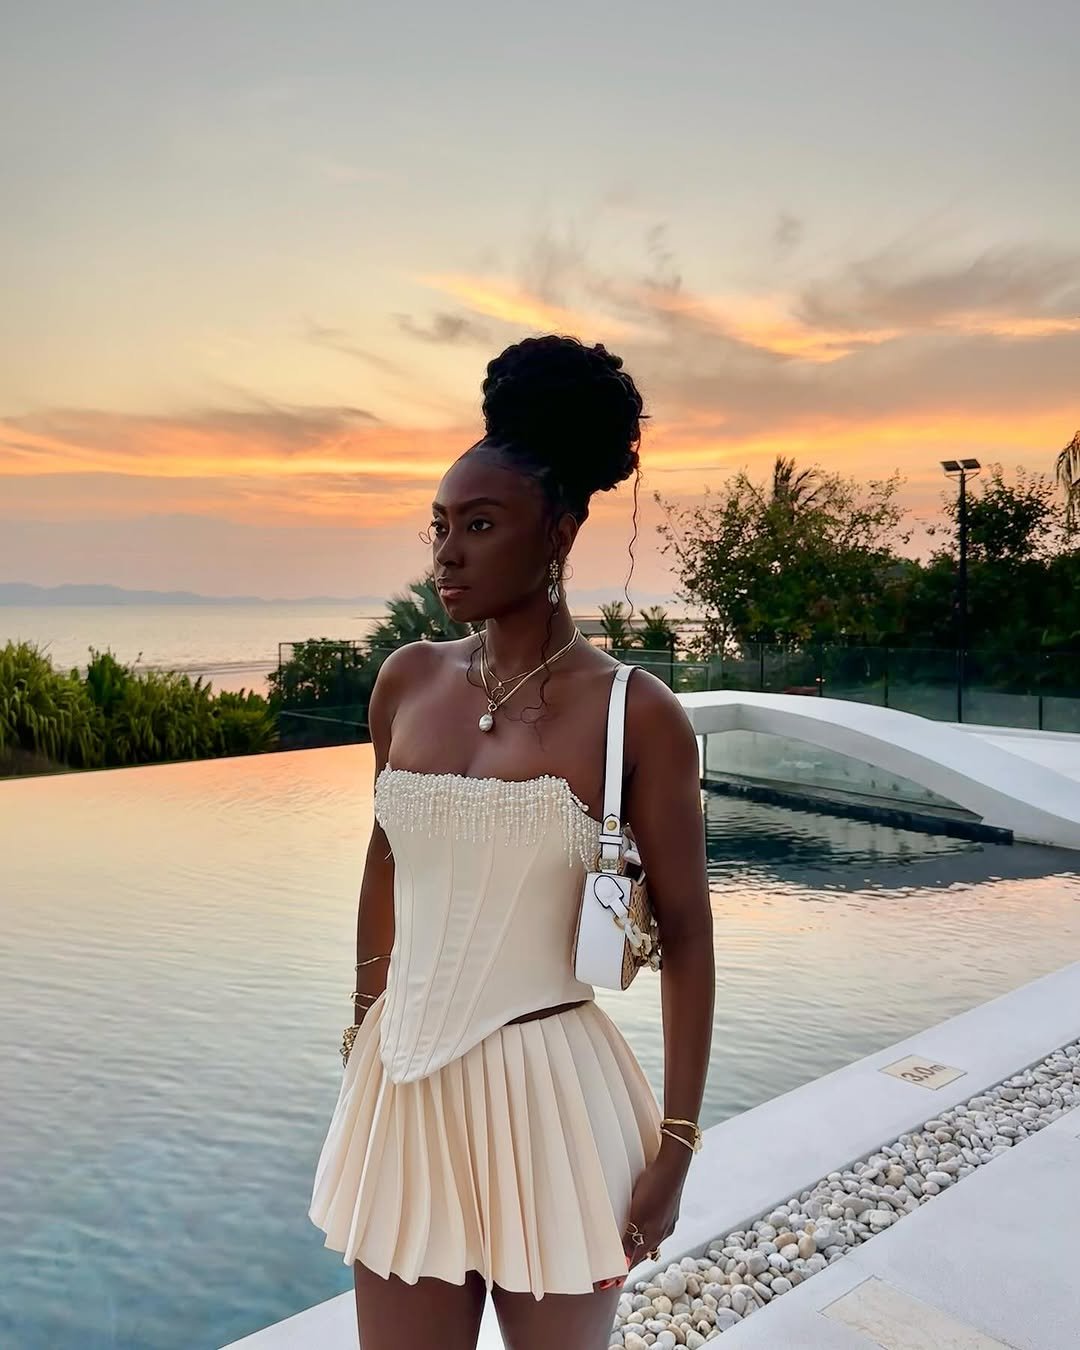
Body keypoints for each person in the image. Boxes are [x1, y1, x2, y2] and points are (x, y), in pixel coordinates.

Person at [309, 334, 715, 1350]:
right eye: (439, 526)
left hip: (553, 1101)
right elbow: (386, 859)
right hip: (401, 1093)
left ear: (561, 529)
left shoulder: (636, 712)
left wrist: (676, 1145)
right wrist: (363, 1025)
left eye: (479, 526)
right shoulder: (407, 679)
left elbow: (691, 940)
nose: (446, 554)